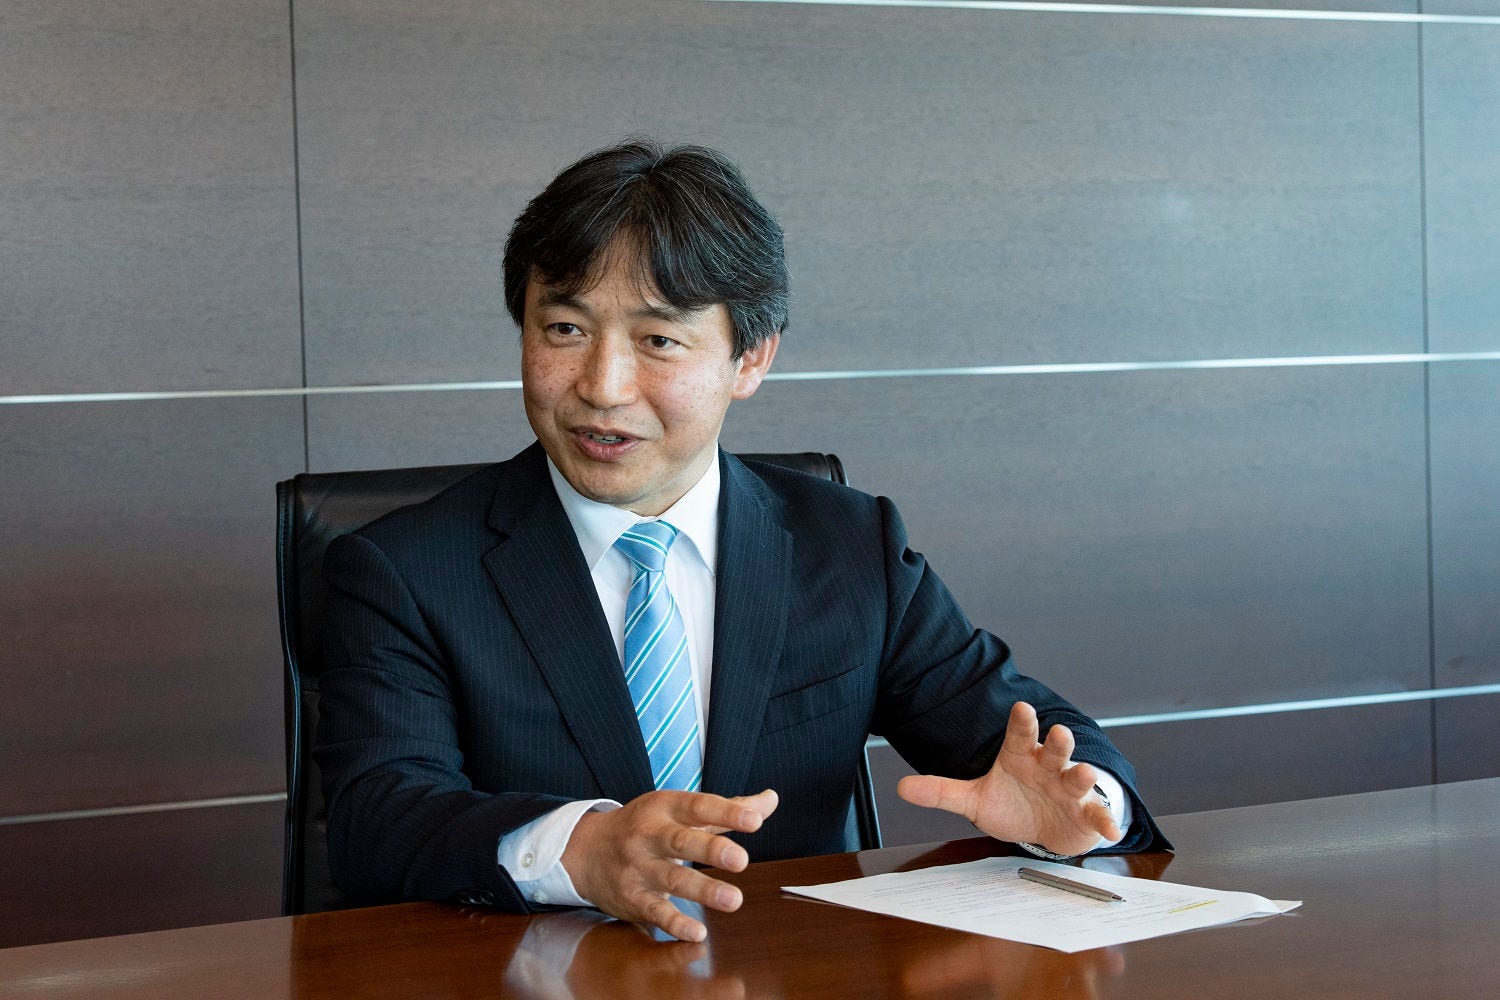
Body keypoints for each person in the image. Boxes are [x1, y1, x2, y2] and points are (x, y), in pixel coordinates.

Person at [316, 138, 1169, 943]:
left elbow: (1035, 739)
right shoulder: (404, 570)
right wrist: (580, 850)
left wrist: (1082, 808)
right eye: (564, 330)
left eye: (658, 340)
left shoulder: (849, 546)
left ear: (751, 358)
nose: (602, 387)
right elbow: (376, 819)